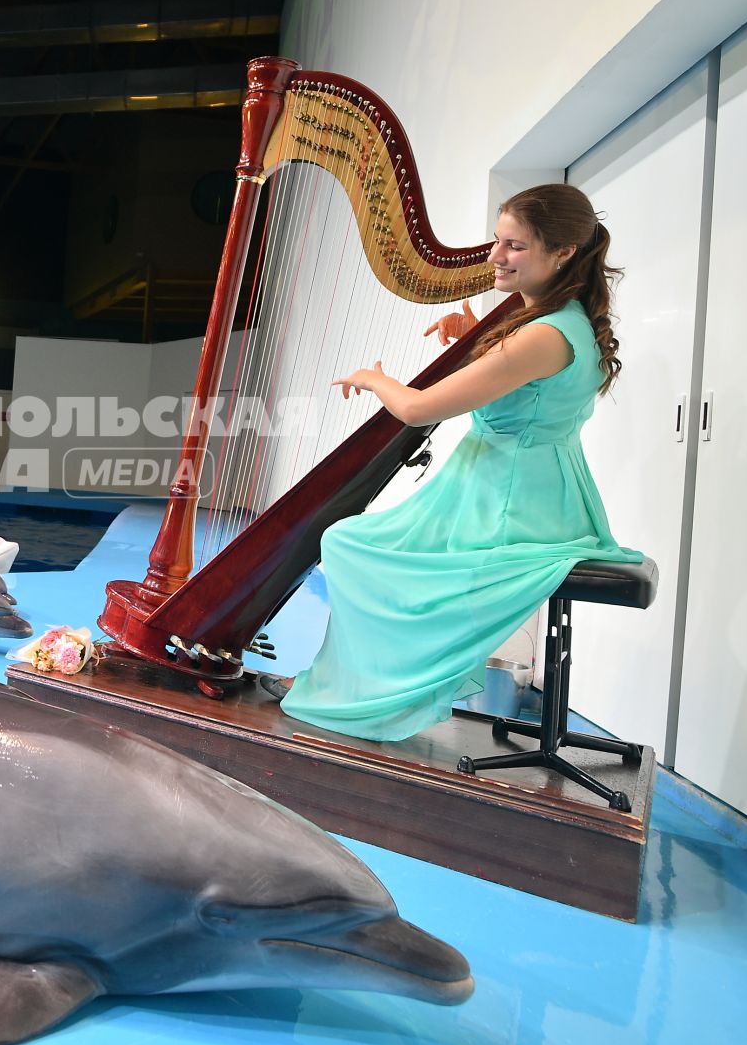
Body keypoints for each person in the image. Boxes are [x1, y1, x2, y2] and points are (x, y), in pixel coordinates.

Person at [271, 183, 643, 743]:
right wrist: (474, 337)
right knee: (356, 542)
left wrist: (372, 377)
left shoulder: (541, 334)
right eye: (498, 241)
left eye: (514, 246)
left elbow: (417, 408)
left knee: (350, 546)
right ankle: (366, 684)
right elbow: (526, 392)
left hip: (509, 506)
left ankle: (376, 693)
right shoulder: (561, 319)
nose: (496, 256)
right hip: (519, 487)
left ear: (564, 252)